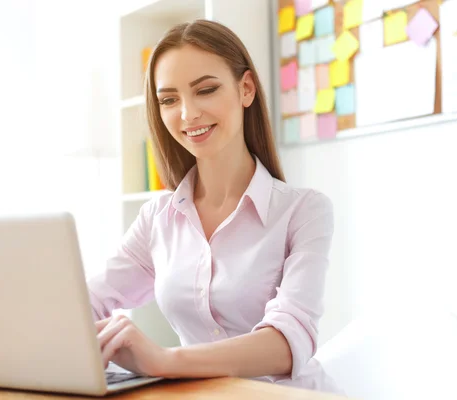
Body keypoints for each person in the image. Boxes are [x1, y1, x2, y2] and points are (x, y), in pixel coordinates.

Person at [87, 19, 341, 394]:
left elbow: (288, 342)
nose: (187, 114)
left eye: (205, 90)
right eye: (169, 99)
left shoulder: (304, 211)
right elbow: (87, 301)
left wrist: (163, 361)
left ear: (246, 89)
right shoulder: (158, 219)